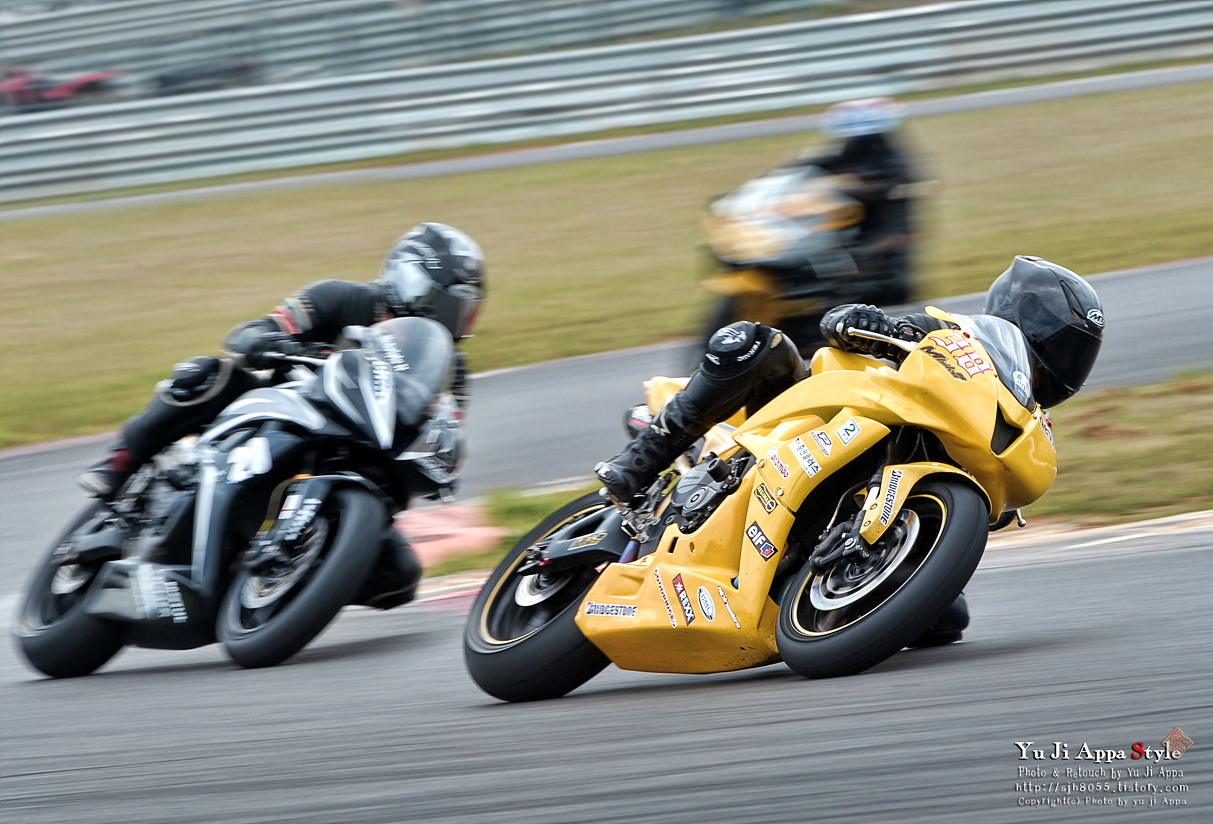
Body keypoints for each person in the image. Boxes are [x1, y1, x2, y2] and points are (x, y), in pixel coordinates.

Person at [595, 255, 1105, 645]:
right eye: (1062, 340)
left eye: (1075, 349)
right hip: (807, 419)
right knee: (756, 343)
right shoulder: (950, 335)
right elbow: (845, 323)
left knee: (946, 622)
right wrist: (869, 324)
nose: (1066, 357)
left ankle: (815, 588)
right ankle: (639, 463)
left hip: (884, 493)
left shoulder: (1021, 414)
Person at [78, 221, 485, 499]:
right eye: (447, 304)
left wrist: (443, 464)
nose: (451, 319)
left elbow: (440, 436)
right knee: (206, 375)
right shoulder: (341, 299)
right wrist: (273, 343)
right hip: (278, 413)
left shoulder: (451, 372)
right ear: (410, 281)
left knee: (400, 575)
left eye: (463, 310)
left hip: (356, 460)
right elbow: (253, 332)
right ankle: (121, 461)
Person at [792, 97, 920, 303]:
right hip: (851, 244)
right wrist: (788, 174)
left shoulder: (898, 170)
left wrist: (852, 258)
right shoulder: (856, 150)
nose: (860, 142)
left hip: (883, 276)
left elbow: (896, 232)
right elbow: (823, 162)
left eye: (866, 138)